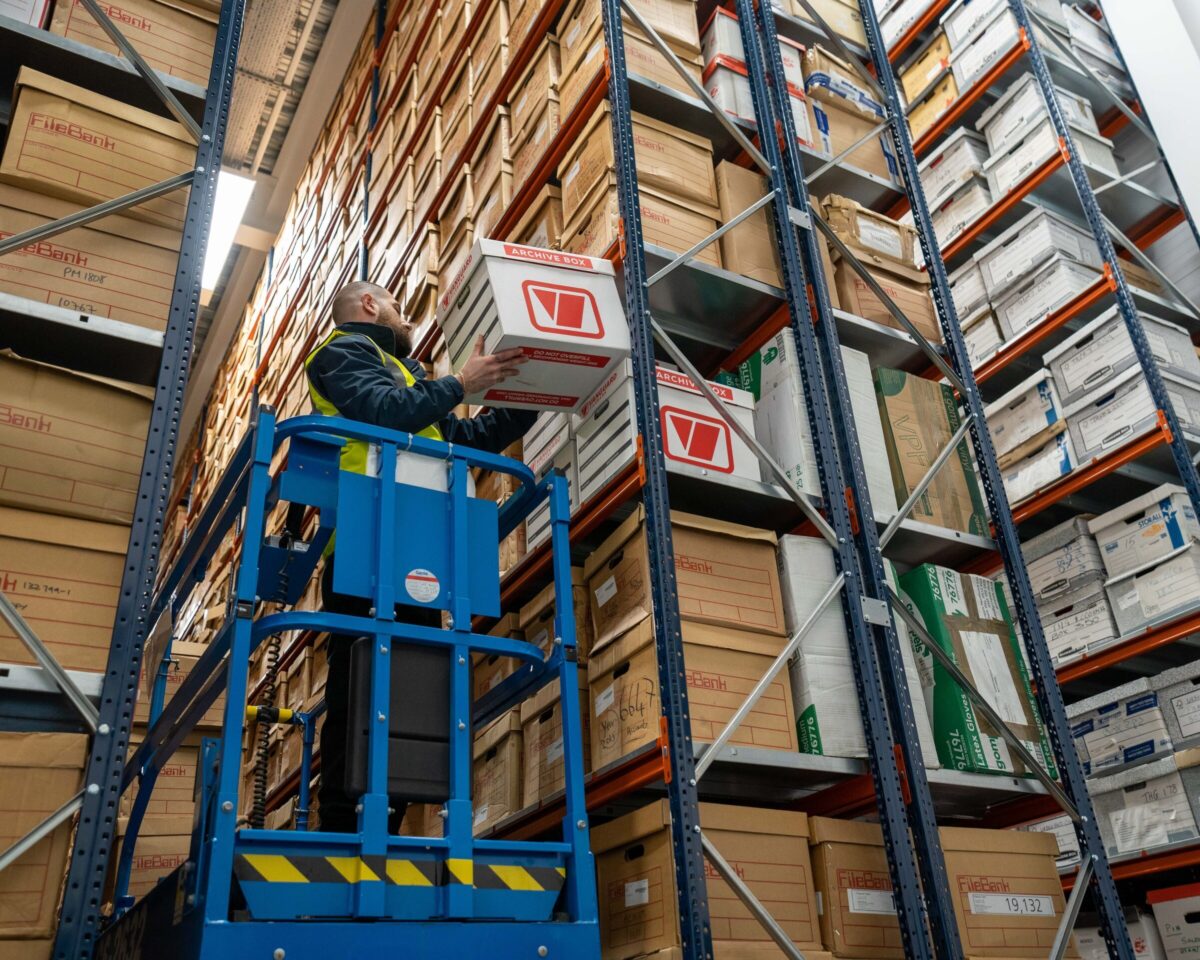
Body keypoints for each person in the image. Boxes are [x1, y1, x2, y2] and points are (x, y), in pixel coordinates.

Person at [304, 280, 535, 833]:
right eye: (398, 307)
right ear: (369, 305)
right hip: (367, 538)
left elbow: (467, 437)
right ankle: (341, 823)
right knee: (361, 684)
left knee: (415, 684)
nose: (407, 320)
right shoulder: (341, 352)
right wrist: (460, 382)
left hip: (420, 541)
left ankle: (388, 817)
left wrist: (540, 393)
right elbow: (381, 412)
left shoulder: (407, 378)